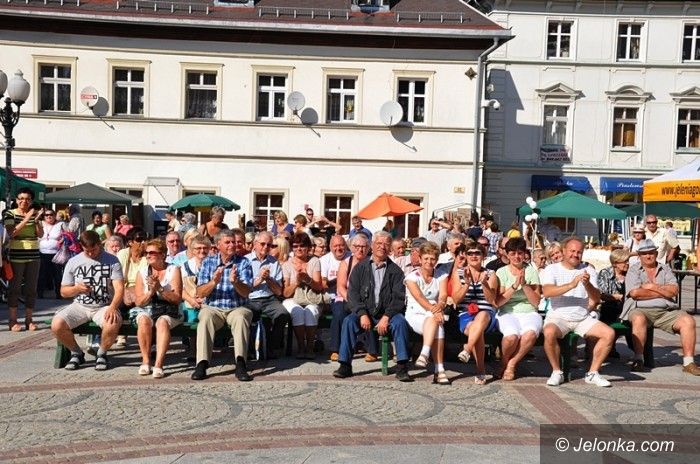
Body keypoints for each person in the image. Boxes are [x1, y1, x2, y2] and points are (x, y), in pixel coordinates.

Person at [333, 231, 413, 382]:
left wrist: (386, 317)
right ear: (372, 245)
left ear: (390, 248)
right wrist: (362, 313)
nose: (382, 247)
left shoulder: (396, 271)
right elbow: (353, 294)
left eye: (386, 244)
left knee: (400, 323)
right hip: (365, 312)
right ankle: (345, 365)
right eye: (379, 243)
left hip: (388, 314)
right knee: (349, 322)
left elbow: (398, 298)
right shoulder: (360, 268)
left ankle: (402, 366)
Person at [540, 237, 615, 387]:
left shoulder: (588, 270)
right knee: (549, 332)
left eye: (579, 252)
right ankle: (557, 371)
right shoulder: (552, 269)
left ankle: (593, 373)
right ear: (564, 251)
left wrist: (587, 285)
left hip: (582, 317)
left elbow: (596, 298)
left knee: (609, 333)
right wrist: (571, 284)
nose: (575, 254)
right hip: (558, 317)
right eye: (572, 251)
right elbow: (547, 292)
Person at [622, 239, 700, 375]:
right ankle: (638, 359)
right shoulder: (633, 270)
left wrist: (652, 286)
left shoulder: (665, 269)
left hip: (666, 311)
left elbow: (674, 290)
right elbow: (635, 293)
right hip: (640, 309)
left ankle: (689, 363)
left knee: (688, 321)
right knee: (638, 319)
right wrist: (663, 291)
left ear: (656, 253)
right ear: (639, 256)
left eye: (651, 253)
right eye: (644, 253)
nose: (648, 256)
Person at [50, 230, 124, 371]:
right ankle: (76, 352)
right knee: (57, 324)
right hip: (80, 305)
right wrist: (77, 288)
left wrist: (113, 307)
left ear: (99, 244)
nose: (90, 254)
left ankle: (102, 353)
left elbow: (119, 288)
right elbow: (63, 291)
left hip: (104, 305)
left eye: (93, 250)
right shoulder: (73, 261)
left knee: (112, 322)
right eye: (86, 251)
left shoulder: (112, 260)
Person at [192, 228, 253, 381]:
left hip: (237, 307)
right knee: (205, 317)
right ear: (218, 245)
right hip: (214, 308)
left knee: (241, 318)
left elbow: (246, 292)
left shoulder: (244, 262)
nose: (232, 245)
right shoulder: (208, 262)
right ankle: (202, 363)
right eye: (227, 242)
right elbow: (200, 292)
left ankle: (240, 363)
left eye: (233, 242)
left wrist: (236, 282)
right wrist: (214, 282)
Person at [130, 239, 183, 378]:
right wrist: (151, 292)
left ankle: (159, 364)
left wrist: (160, 288)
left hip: (169, 309)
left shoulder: (173, 270)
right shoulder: (142, 272)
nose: (148, 255)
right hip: (147, 308)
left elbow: (177, 299)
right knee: (143, 320)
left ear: (162, 255)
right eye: (146, 253)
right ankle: (146, 361)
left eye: (152, 252)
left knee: (162, 322)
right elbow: (138, 302)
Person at [450, 241, 498, 384]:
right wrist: (467, 284)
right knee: (476, 330)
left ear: (483, 255)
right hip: (466, 315)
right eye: (470, 253)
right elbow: (456, 299)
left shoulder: (491, 274)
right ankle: (480, 370)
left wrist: (484, 284)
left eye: (477, 253)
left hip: (486, 315)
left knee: (482, 315)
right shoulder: (459, 273)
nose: (473, 256)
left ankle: (468, 349)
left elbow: (491, 300)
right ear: (466, 255)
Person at [494, 237, 542, 381]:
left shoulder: (531, 271)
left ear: (524, 254)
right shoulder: (501, 272)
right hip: (507, 311)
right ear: (507, 255)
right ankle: (504, 361)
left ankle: (511, 364)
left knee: (530, 334)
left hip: (529, 311)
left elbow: (536, 302)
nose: (516, 257)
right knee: (511, 336)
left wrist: (525, 285)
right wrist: (515, 286)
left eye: (520, 253)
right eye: (513, 253)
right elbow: (499, 301)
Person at [404, 242, 450, 384]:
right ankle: (439, 369)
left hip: (433, 313)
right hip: (415, 313)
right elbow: (419, 298)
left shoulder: (441, 275)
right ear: (420, 258)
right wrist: (435, 310)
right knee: (437, 322)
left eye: (432, 259)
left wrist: (440, 305)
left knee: (438, 326)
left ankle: (426, 356)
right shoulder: (411, 277)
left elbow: (443, 295)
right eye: (426, 258)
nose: (429, 262)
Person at [332, 234, 378, 362]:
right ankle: (336, 349)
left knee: (368, 312)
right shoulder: (346, 263)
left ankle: (372, 350)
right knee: (339, 313)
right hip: (345, 297)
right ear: (351, 247)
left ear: (368, 248)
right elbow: (341, 287)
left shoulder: (373, 263)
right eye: (357, 246)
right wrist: (352, 300)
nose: (360, 249)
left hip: (367, 299)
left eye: (363, 247)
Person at [3, 187, 44, 331]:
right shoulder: (10, 213)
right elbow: (12, 233)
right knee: (14, 289)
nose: (24, 201)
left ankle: (29, 320)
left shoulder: (34, 214)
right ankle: (13, 321)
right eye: (21, 199)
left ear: (31, 201)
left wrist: (36, 220)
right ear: (16, 200)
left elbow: (40, 234)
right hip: (17, 255)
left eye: (27, 199)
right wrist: (27, 218)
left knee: (31, 289)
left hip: (33, 255)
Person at [246, 231, 291, 359]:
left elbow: (278, 291)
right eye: (262, 244)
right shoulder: (245, 261)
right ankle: (249, 349)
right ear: (255, 244)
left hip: (269, 298)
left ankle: (271, 347)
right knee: (247, 315)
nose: (266, 247)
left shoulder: (274, 262)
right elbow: (242, 286)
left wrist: (268, 279)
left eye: (269, 245)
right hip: (250, 298)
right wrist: (259, 280)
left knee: (283, 314)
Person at [281, 233, 324, 359]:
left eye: (302, 246)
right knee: (298, 311)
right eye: (295, 246)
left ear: (308, 247)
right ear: (292, 248)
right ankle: (301, 347)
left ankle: (310, 347)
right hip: (292, 298)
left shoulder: (314, 261)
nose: (299, 249)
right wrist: (297, 282)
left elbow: (318, 287)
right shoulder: (287, 265)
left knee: (311, 310)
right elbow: (286, 293)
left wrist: (307, 279)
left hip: (311, 297)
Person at [179, 235, 211, 361]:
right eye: (198, 248)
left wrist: (204, 300)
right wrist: (192, 300)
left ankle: (206, 350)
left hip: (209, 301)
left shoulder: (214, 264)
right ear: (192, 250)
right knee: (192, 317)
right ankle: (193, 350)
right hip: (190, 301)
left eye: (205, 248)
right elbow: (180, 288)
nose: (202, 251)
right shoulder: (185, 266)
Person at [321, 235, 350, 361]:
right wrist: (340, 278)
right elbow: (323, 284)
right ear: (330, 247)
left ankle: (366, 346)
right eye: (335, 246)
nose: (339, 248)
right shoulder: (324, 260)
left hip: (351, 295)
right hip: (332, 297)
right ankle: (335, 348)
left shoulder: (351, 257)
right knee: (339, 313)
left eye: (341, 245)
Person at [38, 209, 65, 300]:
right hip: (42, 252)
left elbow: (68, 234)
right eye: (46, 215)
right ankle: (40, 293)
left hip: (56, 253)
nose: (49, 216)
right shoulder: (41, 223)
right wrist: (38, 215)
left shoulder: (60, 224)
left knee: (57, 275)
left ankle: (58, 294)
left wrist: (62, 240)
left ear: (54, 215)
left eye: (51, 214)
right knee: (42, 274)